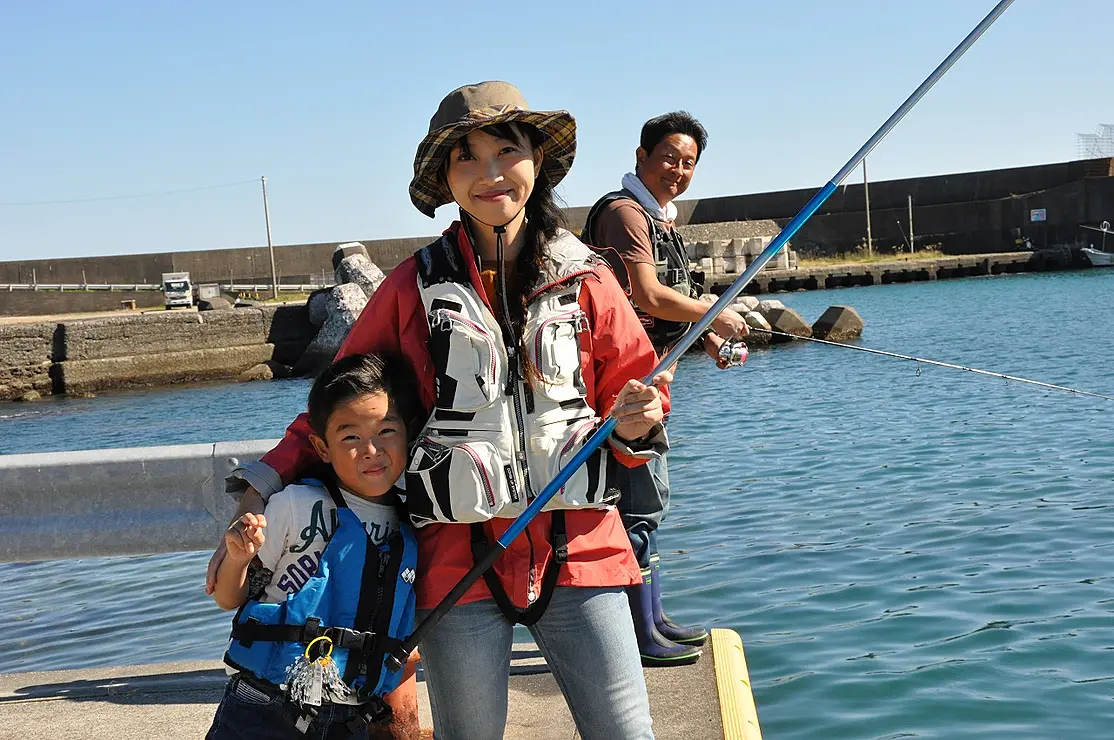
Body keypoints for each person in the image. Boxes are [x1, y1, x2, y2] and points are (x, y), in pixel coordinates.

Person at [209, 81, 670, 740]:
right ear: (444, 177)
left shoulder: (591, 279)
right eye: (465, 158)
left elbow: (642, 393)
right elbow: (339, 403)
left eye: (506, 151)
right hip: (458, 559)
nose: (488, 174)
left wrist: (640, 420)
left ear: (537, 160)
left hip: (584, 549)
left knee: (627, 733)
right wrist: (262, 482)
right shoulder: (409, 288)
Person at [580, 111, 750, 667]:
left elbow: (669, 311)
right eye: (668, 158)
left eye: (689, 163)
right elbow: (649, 297)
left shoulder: (661, 221)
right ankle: (636, 634)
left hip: (653, 382)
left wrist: (707, 339)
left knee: (649, 506)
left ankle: (651, 617)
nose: (678, 170)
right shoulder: (627, 216)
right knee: (637, 506)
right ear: (640, 157)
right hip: (621, 388)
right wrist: (717, 314)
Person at [207, 353, 423, 740]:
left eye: (386, 431)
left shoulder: (415, 524)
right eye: (351, 437)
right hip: (263, 706)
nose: (371, 450)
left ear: (408, 432)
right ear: (322, 448)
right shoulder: (295, 505)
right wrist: (238, 557)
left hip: (352, 717)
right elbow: (229, 597)